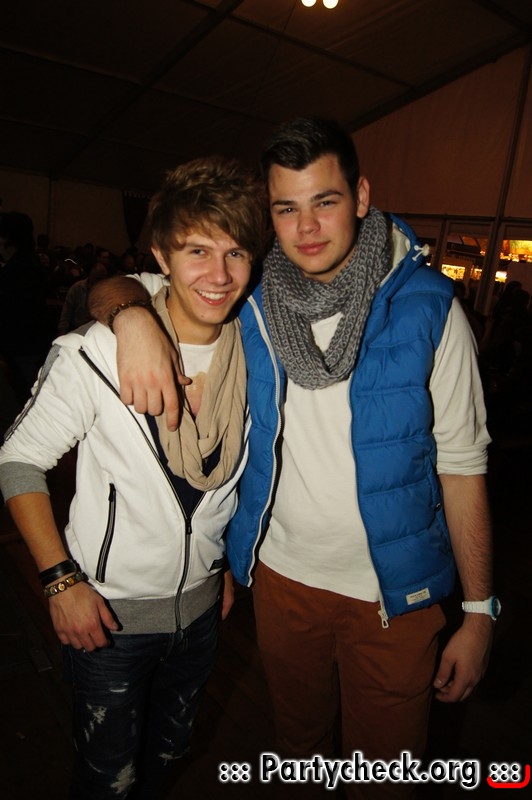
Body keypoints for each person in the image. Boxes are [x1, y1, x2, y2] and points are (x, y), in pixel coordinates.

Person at [88, 117, 496, 799]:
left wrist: (480, 611)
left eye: (324, 201)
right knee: (299, 754)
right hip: (282, 582)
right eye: (285, 208)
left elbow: (463, 467)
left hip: (393, 595)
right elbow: (116, 286)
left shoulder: (428, 311)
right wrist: (130, 318)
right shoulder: (246, 297)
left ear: (360, 197)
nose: (306, 228)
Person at [0, 155, 265, 800]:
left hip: (203, 615)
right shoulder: (95, 350)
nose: (219, 275)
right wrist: (59, 580)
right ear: (161, 256)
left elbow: (225, 485)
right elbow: (18, 460)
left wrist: (221, 566)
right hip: (108, 620)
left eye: (235, 253)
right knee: (107, 781)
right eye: (197, 251)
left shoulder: (258, 355)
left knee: (167, 760)